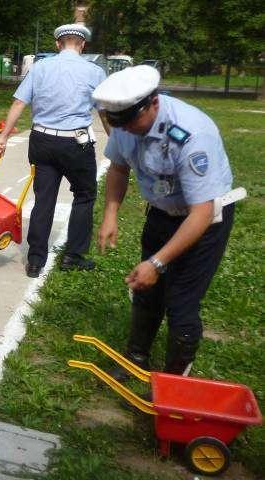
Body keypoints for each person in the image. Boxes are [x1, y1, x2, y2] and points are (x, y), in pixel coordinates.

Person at [94, 66, 238, 377]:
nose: (127, 129)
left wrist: (157, 263)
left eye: (132, 121)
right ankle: (136, 358)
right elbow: (118, 168)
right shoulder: (124, 124)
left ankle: (175, 381)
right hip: (162, 213)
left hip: (205, 221)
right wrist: (110, 215)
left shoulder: (191, 134)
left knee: (182, 301)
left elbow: (201, 211)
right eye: (119, 123)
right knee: (147, 291)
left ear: (154, 103)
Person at [0, 24, 108, 278]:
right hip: (75, 144)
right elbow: (104, 111)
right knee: (84, 195)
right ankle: (73, 256)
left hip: (42, 140)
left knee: (44, 199)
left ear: (58, 44)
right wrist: (116, 141)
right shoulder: (95, 72)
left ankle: (35, 260)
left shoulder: (40, 68)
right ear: (83, 45)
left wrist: (2, 137)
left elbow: (19, 103)